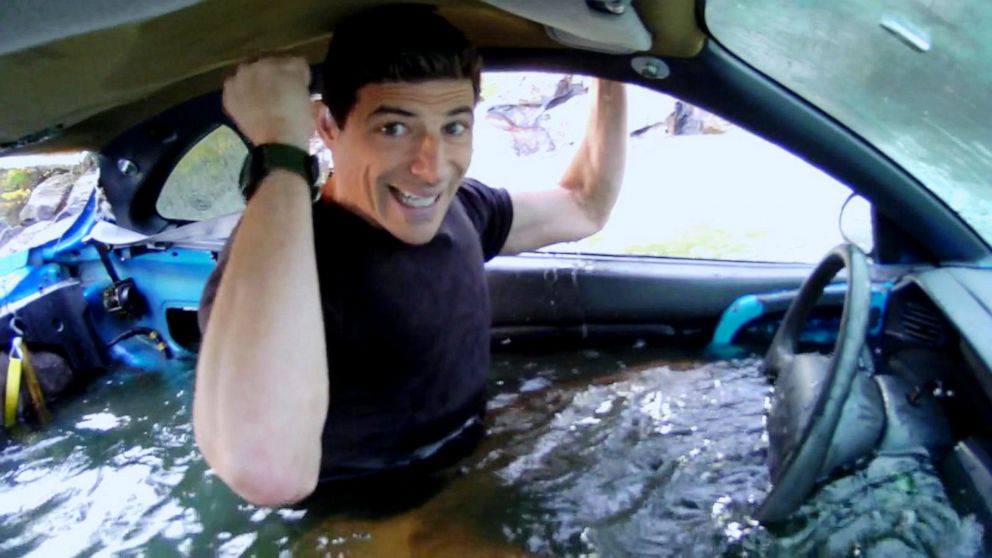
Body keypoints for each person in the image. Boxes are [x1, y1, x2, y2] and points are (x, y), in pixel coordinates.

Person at [193, 5, 627, 507]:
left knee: (650, 391)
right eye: (394, 129)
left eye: (454, 128)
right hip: (373, 516)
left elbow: (584, 205)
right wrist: (280, 148)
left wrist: (610, 72)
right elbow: (268, 474)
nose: (432, 167)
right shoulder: (282, 265)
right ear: (328, 128)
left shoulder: (461, 210)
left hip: (469, 453)